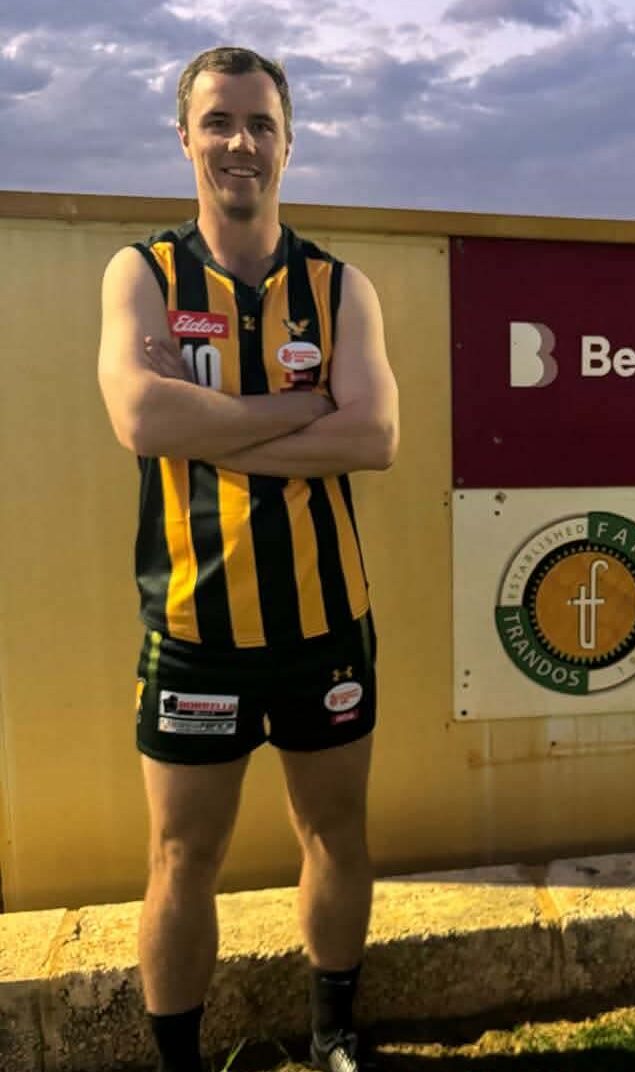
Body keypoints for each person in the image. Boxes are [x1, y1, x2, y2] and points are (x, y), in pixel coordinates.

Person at [97, 45, 398, 1072]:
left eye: (261, 124)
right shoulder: (141, 273)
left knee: (337, 838)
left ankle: (333, 1033)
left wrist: (211, 422)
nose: (241, 143)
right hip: (195, 631)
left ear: (288, 142)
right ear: (185, 138)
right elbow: (140, 416)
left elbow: (376, 438)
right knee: (184, 858)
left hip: (326, 624)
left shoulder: (339, 286)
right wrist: (293, 410)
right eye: (219, 122)